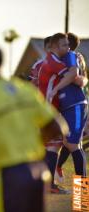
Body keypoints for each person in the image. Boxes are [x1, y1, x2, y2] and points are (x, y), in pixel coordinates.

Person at [0, 46, 68, 212]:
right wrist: (35, 146)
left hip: (10, 175)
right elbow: (57, 126)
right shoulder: (24, 89)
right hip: (39, 172)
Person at [54, 32, 88, 183]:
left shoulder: (70, 55)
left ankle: (82, 196)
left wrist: (58, 87)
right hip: (71, 105)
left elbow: (76, 77)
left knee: (75, 145)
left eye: (64, 42)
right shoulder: (74, 56)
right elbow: (83, 78)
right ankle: (58, 168)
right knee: (69, 143)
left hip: (75, 104)